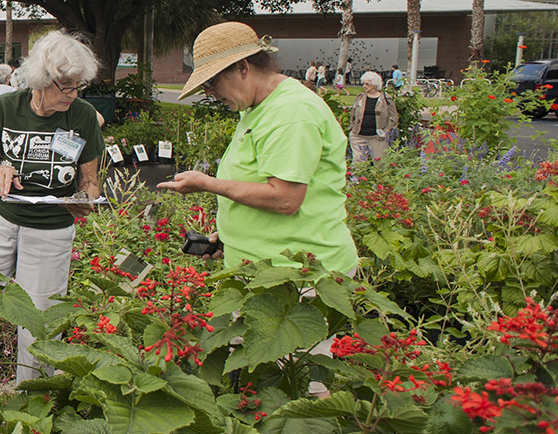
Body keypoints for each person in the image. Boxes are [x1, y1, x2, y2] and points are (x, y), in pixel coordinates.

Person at [157, 22, 357, 274]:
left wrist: (207, 184)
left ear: (242, 68)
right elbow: (255, 180)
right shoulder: (257, 107)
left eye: (211, 82)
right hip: (265, 269)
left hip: (299, 276)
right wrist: (233, 235)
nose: (210, 94)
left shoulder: (291, 112)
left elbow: (285, 199)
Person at [0, 31, 105, 380]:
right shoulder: (6, 108)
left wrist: (85, 198)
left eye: (77, 86)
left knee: (43, 319)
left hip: (50, 228)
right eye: (65, 87)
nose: (72, 94)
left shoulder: (83, 116)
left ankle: (32, 405)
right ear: (41, 81)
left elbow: (90, 181)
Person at [349, 70, 398, 161]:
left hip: (377, 137)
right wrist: (352, 127)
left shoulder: (386, 99)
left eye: (367, 84)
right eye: (363, 84)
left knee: (380, 163)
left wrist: (387, 130)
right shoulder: (360, 97)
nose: (364, 86)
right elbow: (352, 114)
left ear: (375, 85)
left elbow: (394, 117)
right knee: (358, 163)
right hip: (358, 135)